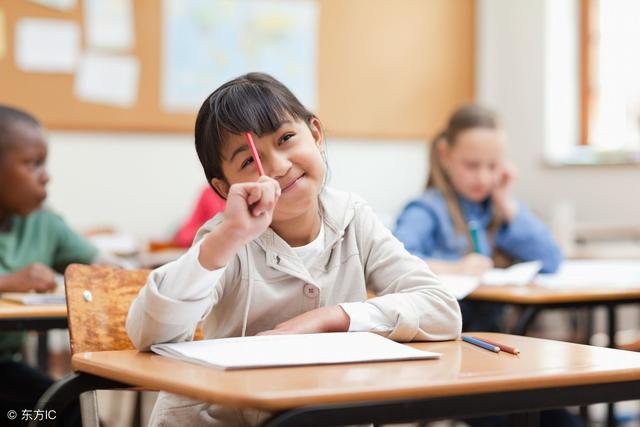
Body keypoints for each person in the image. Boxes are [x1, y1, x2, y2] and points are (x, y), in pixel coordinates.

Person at [126, 72, 462, 426]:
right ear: (224, 189)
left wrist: (332, 318)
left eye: (286, 138)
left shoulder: (354, 219)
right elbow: (150, 335)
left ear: (315, 135)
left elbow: (441, 309)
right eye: (248, 161)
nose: (279, 167)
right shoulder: (225, 239)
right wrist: (225, 239)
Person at [394, 104, 563, 332]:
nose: (483, 177)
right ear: (445, 155)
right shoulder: (426, 210)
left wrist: (506, 202)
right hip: (445, 337)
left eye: (493, 166)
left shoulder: (497, 209)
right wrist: (454, 268)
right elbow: (394, 264)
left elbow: (551, 259)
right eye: (472, 165)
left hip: (494, 336)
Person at [0, 105, 99, 426]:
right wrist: (7, 282)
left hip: (5, 370)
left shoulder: (44, 222)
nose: (46, 175)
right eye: (33, 163)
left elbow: (104, 268)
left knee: (63, 406)